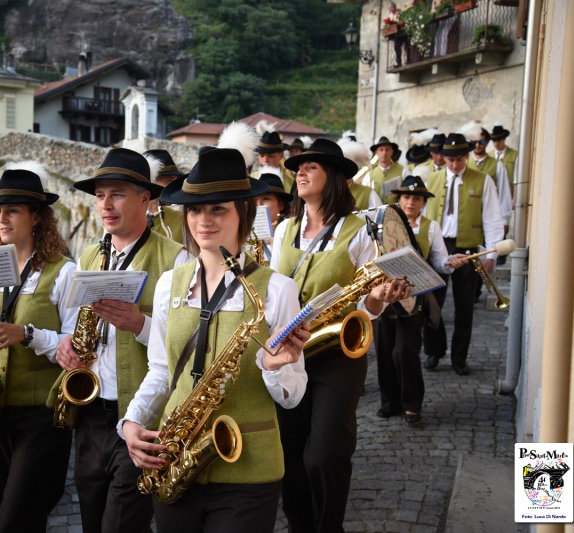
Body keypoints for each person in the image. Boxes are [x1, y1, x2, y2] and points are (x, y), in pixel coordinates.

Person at [121, 145, 309, 533]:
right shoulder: (170, 284)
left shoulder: (278, 289)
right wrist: (131, 423)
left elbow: (294, 395)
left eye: (218, 208)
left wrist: (275, 368)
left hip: (250, 469)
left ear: (244, 213)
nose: (203, 220)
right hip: (175, 459)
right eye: (195, 209)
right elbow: (160, 370)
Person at [269, 138, 412, 532]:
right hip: (290, 352)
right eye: (298, 167)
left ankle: (329, 525)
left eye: (310, 167)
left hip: (338, 355)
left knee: (325, 454)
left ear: (334, 178)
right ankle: (300, 524)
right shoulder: (284, 229)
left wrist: (379, 299)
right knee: (291, 453)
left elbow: (367, 303)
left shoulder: (360, 230)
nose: (300, 172)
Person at [54, 147, 188, 533]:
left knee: (122, 523)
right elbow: (75, 321)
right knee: (93, 519)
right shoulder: (89, 257)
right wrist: (68, 346)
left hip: (142, 415)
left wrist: (140, 324)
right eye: (99, 196)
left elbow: (183, 350)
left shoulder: (175, 259)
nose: (105, 205)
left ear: (145, 199)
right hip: (92, 411)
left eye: (116, 194)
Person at [0, 161, 77, 532]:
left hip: (41, 415)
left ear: (36, 217)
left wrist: (27, 334)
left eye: (12, 210)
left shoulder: (64, 272)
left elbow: (76, 345)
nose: (2, 219)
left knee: (18, 517)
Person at [375, 176, 467, 425]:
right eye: (406, 197)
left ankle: (412, 405)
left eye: (417, 198)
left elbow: (439, 261)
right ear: (399, 200)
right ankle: (390, 402)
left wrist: (450, 264)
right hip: (384, 296)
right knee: (384, 352)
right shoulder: (384, 225)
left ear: (423, 202)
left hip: (413, 298)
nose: (411, 202)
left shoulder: (431, 227)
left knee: (404, 351)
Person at [423, 133, 502, 375]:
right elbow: (424, 217)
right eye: (450, 160)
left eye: (458, 159)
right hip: (439, 245)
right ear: (443, 158)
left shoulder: (483, 180)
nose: (454, 165)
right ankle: (434, 352)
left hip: (468, 250)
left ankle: (459, 358)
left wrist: (492, 255)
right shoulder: (432, 180)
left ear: (466, 157)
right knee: (433, 303)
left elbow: (492, 217)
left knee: (464, 306)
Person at [465, 124, 512, 234]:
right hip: (469, 216)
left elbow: (504, 192)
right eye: (474, 142)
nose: (477, 145)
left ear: (486, 142)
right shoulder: (465, 163)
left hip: (490, 215)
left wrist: (505, 220)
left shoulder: (497, 165)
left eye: (481, 142)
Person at [145, 149, 185, 243]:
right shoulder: (130, 215)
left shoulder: (182, 212)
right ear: (152, 181)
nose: (175, 186)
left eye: (175, 181)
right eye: (169, 180)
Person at [255, 122, 295, 193]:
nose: (266, 160)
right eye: (262, 155)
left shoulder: (292, 181)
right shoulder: (251, 180)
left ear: (281, 155)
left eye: (271, 155)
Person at [364, 136, 407, 202]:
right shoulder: (369, 176)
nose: (384, 153)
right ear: (376, 152)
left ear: (392, 152)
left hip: (397, 211)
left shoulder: (404, 172)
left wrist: (400, 194)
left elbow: (409, 193)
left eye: (387, 149)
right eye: (381, 150)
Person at [487, 123, 518, 196]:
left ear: (504, 139)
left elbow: (516, 180)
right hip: (492, 194)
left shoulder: (514, 155)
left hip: (509, 194)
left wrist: (514, 198)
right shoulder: (489, 156)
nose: (496, 143)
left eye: (499, 140)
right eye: (494, 141)